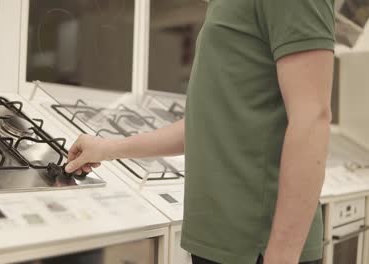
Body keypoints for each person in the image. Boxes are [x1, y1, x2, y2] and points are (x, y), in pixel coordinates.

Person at [64, 0, 335, 263]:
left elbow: (311, 119)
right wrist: (109, 149)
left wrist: (283, 256)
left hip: (256, 248)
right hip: (217, 242)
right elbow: (206, 123)